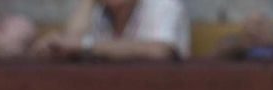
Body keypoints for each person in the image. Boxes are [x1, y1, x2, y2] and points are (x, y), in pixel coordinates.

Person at [32, 0, 190, 61]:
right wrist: (88, 2)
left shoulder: (164, 4)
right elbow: (68, 46)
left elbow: (161, 51)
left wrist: (86, 45)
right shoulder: (97, 11)